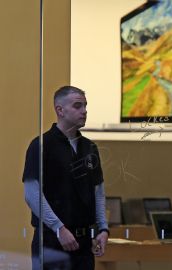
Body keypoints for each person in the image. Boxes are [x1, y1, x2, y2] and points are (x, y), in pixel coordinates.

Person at [22, 86, 109, 270]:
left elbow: (98, 191)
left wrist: (102, 229)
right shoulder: (41, 145)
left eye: (85, 105)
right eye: (78, 106)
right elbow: (32, 193)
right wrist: (59, 228)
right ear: (60, 110)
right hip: (52, 242)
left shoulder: (89, 148)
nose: (84, 111)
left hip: (84, 244)